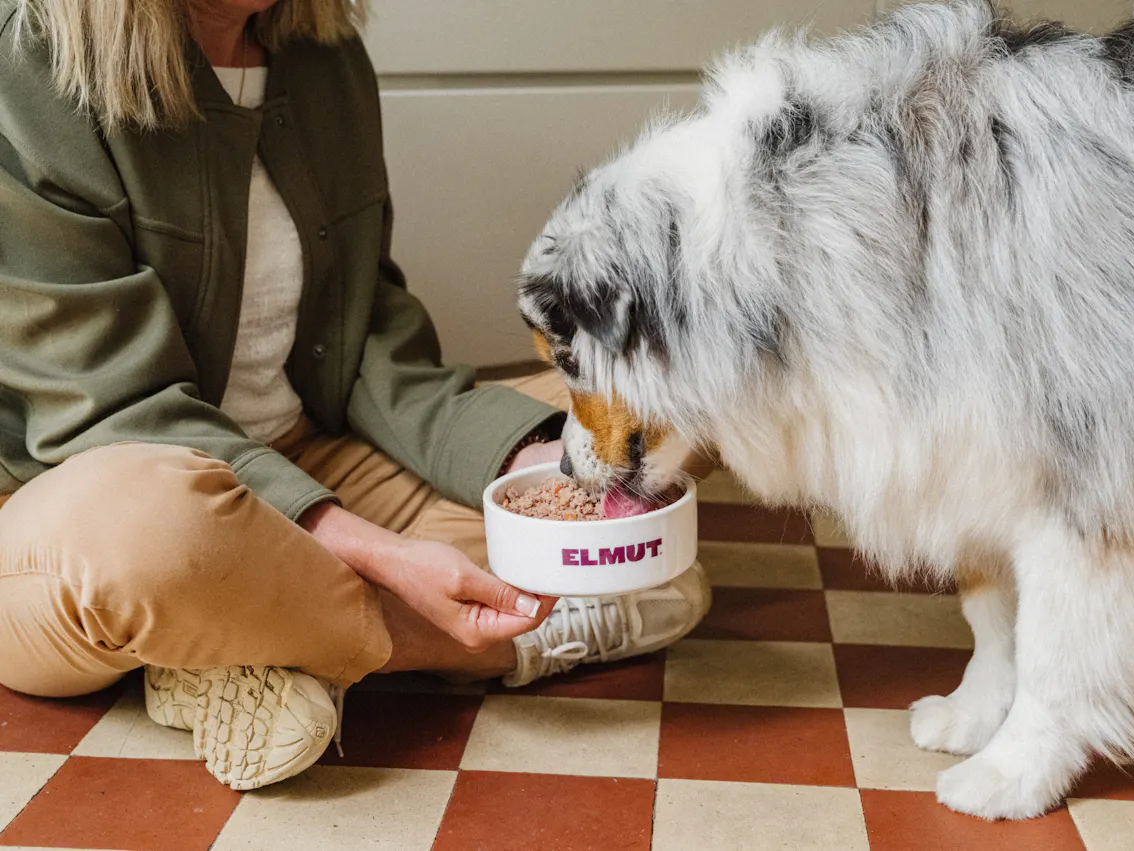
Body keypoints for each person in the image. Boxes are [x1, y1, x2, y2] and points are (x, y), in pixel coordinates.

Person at [0, 0, 710, 790]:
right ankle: (478, 637)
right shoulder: (23, 66)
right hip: (69, 492)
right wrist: (386, 556)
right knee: (150, 538)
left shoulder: (321, 57)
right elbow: (103, 411)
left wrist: (538, 464)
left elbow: (367, 332)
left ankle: (246, 638)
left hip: (310, 453)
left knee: (673, 402)